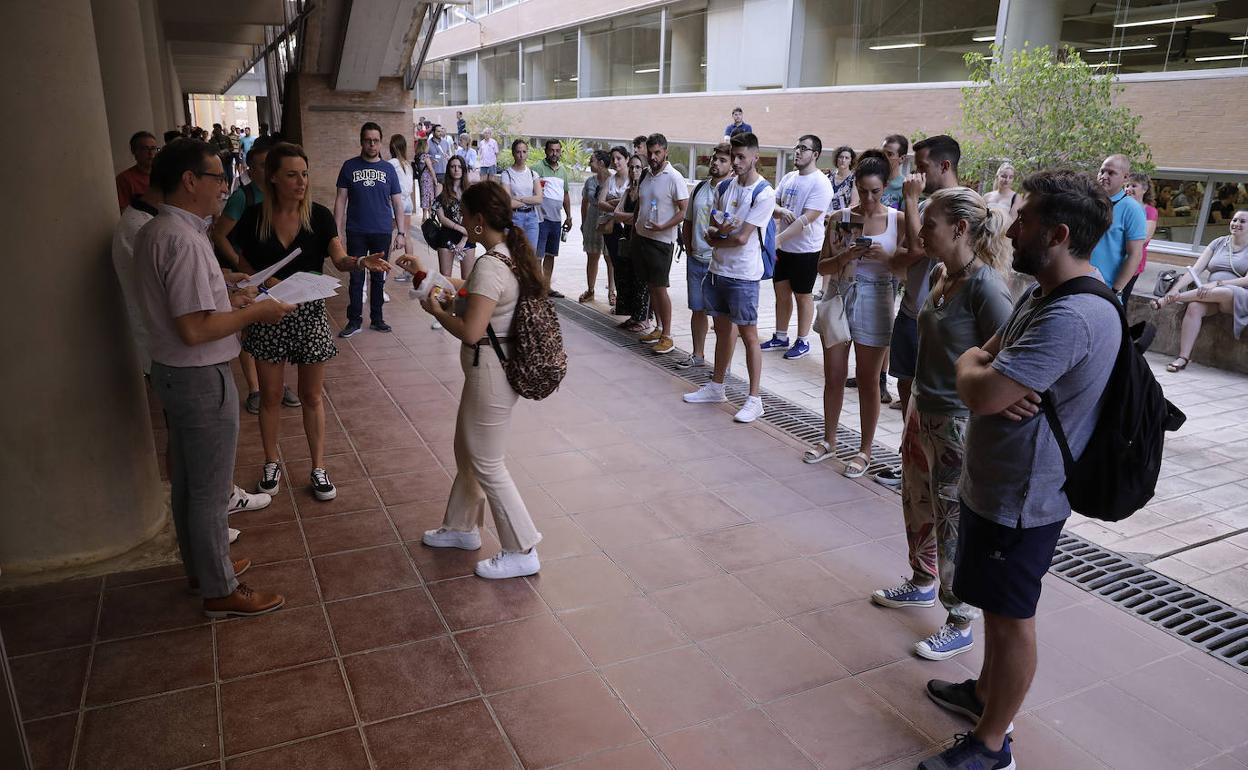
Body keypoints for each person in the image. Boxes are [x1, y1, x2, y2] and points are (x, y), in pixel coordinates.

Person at [920, 170, 1119, 770]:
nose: (1010, 226)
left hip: (1024, 497)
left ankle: (992, 744)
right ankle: (984, 696)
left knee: (1010, 621)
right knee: (994, 606)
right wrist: (981, 367)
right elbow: (980, 366)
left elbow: (980, 389)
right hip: (998, 485)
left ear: (1057, 234)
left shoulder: (1071, 317)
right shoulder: (1043, 295)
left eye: (1025, 219)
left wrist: (981, 370)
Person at [134, 138, 294, 617]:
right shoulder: (180, 239)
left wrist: (232, 296)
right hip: (199, 376)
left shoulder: (162, 230)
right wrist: (257, 312)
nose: (225, 187)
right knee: (208, 490)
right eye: (217, 178)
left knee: (187, 482)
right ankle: (220, 590)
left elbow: (195, 308)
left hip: (175, 373)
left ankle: (203, 567)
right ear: (190, 181)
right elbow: (194, 328)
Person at [871, 187, 1014, 663]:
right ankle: (922, 581)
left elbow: (1009, 359)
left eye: (929, 222)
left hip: (957, 423)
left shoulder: (985, 286)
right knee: (917, 502)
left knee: (953, 520)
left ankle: (960, 619)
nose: (921, 231)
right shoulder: (940, 274)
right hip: (922, 413)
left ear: (960, 228)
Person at [399, 181, 544, 580]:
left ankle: (522, 548)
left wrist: (435, 311)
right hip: (489, 371)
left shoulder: (491, 265)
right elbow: (470, 295)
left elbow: (471, 329)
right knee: (468, 451)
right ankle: (462, 528)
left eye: (464, 215)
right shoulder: (505, 255)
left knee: (486, 461)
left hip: (491, 374)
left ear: (479, 222)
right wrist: (427, 277)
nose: (459, 220)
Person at [235, 142, 391, 500]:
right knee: (271, 395)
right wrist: (262, 280)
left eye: (304, 174)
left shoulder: (318, 216)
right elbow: (243, 266)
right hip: (267, 312)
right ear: (273, 178)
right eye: (291, 175)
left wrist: (358, 262)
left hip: (308, 312)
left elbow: (338, 259)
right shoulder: (254, 216)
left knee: (311, 395)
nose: (301, 181)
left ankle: (318, 467)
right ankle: (271, 461)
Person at [807, 153, 905, 477]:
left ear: (885, 187)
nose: (868, 198)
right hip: (840, 293)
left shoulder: (897, 220)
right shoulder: (839, 217)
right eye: (862, 191)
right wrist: (845, 255)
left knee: (868, 380)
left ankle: (865, 450)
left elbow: (908, 271)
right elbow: (821, 266)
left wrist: (887, 255)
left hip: (877, 296)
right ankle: (829, 439)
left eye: (875, 191)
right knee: (833, 375)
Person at [681, 132, 774, 423]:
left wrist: (719, 237)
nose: (735, 162)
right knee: (722, 331)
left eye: (741, 157)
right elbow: (713, 226)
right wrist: (720, 235)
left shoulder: (764, 192)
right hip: (718, 270)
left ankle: (754, 399)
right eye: (733, 156)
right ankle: (717, 386)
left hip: (744, 275)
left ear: (756, 156)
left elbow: (741, 238)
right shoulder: (725, 187)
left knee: (748, 334)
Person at [211, 141, 297, 416]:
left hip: (274, 276)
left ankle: (278, 383)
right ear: (253, 168)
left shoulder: (282, 197)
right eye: (262, 164)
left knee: (276, 326)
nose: (268, 169)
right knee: (250, 329)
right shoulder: (243, 198)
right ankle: (255, 388)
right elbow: (220, 234)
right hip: (248, 275)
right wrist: (239, 265)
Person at [887, 134, 962, 423]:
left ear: (944, 165)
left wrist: (909, 197)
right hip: (910, 310)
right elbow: (904, 251)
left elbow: (917, 248)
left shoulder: (963, 206)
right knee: (905, 384)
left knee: (933, 395)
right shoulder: (921, 204)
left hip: (942, 318)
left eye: (922, 166)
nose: (915, 175)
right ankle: (907, 457)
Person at [761, 134, 833, 361]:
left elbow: (807, 218)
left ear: (816, 154)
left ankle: (802, 340)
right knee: (781, 293)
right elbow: (772, 204)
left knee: (803, 296)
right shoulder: (789, 178)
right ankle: (780, 336)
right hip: (783, 249)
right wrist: (780, 212)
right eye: (797, 147)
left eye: (804, 148)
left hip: (806, 250)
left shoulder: (821, 182)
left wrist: (779, 239)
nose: (798, 152)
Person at [1154, 209, 1248, 372]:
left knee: (1225, 291)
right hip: (1209, 295)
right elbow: (1196, 270)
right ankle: (1183, 357)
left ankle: (1169, 300)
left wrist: (1217, 284)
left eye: (1242, 221)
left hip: (1237, 296)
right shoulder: (1218, 242)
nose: (1236, 224)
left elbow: (1246, 280)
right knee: (1194, 307)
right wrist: (1174, 288)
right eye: (1234, 220)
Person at [335, 121, 405, 338]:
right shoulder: (349, 166)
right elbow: (340, 201)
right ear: (362, 142)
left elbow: (397, 202)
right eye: (368, 140)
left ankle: (377, 319)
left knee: (378, 278)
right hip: (356, 230)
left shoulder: (388, 169)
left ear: (380, 142)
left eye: (375, 140)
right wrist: (335, 232)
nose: (372, 144)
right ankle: (354, 320)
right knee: (356, 277)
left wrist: (401, 232)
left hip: (382, 230)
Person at [626, 133, 690, 355]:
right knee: (651, 287)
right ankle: (659, 327)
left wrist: (663, 226)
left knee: (661, 289)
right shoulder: (646, 174)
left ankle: (668, 336)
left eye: (657, 153)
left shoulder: (674, 177)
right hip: (642, 238)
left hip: (661, 242)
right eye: (650, 152)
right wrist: (635, 228)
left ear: (665, 152)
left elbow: (684, 210)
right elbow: (640, 205)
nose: (653, 157)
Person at [677, 142, 733, 370]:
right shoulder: (700, 188)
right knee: (697, 309)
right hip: (696, 259)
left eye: (722, 160)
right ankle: (697, 354)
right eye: (714, 159)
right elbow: (688, 221)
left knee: (722, 318)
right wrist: (689, 249)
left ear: (731, 165)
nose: (716, 163)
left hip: (719, 263)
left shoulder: (732, 191)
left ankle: (723, 366)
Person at [1090, 154, 1146, 304]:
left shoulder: (1132, 209)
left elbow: (1135, 254)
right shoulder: (1089, 202)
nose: (1103, 176)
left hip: (1103, 290)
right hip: (1076, 282)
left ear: (1126, 177)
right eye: (1102, 171)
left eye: (1111, 173)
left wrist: (1114, 290)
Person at [608, 149, 650, 330]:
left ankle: (644, 319)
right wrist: (631, 217)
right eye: (632, 167)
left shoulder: (646, 190)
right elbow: (616, 214)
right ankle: (634, 316)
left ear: (644, 169)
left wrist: (630, 217)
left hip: (643, 239)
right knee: (628, 277)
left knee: (642, 280)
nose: (634, 171)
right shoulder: (628, 190)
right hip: (628, 238)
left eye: (638, 167)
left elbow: (642, 217)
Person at [532, 139, 574, 298]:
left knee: (551, 254)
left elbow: (565, 195)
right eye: (552, 150)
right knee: (538, 255)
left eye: (557, 150)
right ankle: (537, 287)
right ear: (546, 151)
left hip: (556, 221)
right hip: (541, 220)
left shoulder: (563, 171)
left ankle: (546, 287)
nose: (554, 153)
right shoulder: (537, 168)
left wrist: (569, 216)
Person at [816, 146, 857, 301]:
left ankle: (837, 289)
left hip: (842, 221)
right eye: (841, 157)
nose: (843, 160)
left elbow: (854, 203)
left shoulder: (853, 179)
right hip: (824, 220)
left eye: (847, 158)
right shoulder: (829, 176)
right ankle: (823, 289)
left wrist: (835, 215)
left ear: (851, 160)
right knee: (825, 255)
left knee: (838, 254)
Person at [431, 155, 477, 287]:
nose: (456, 169)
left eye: (459, 166)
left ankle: (462, 307)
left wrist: (464, 237)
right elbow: (442, 218)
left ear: (463, 169)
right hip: (447, 236)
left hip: (467, 237)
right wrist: (459, 228)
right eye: (452, 166)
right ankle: (446, 306)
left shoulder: (470, 191)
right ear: (448, 169)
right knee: (445, 280)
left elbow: (474, 218)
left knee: (467, 281)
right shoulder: (441, 187)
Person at [578, 150, 614, 304]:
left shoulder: (614, 180)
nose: (589, 163)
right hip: (592, 221)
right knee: (592, 256)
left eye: (591, 160)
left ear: (600, 163)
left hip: (608, 221)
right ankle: (590, 290)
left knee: (610, 258)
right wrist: (584, 222)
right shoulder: (590, 182)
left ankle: (612, 292)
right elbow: (584, 202)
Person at [388, 133, 418, 283]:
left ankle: (381, 268)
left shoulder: (391, 163)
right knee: (407, 236)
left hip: (397, 202)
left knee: (387, 235)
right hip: (408, 202)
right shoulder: (407, 164)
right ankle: (409, 272)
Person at [501, 139, 542, 248]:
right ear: (513, 153)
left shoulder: (533, 174)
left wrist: (519, 198)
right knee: (515, 253)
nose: (521, 155)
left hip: (532, 217)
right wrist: (530, 200)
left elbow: (539, 199)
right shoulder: (507, 174)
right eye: (518, 152)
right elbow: (508, 202)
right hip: (515, 217)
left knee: (531, 255)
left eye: (524, 152)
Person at [1125, 172, 1159, 299]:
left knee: (1122, 297)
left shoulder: (1150, 211)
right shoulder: (1120, 206)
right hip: (1114, 257)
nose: (1128, 189)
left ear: (1144, 189)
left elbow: (1145, 238)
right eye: (1126, 185)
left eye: (1133, 186)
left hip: (1132, 259)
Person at [116, 131, 158, 212]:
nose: (151, 153)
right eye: (145, 148)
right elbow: (123, 211)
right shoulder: (124, 179)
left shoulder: (164, 174)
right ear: (134, 151)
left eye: (153, 148)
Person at [881, 133, 909, 210]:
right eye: (883, 153)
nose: (884, 157)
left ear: (902, 158)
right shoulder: (873, 180)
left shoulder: (905, 186)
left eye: (890, 154)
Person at [413, 136, 437, 224]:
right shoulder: (425, 156)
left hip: (422, 178)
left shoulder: (418, 156)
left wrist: (432, 162)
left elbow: (423, 165)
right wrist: (435, 179)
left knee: (424, 195)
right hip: (428, 178)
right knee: (429, 196)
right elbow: (430, 169)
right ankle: (429, 217)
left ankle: (424, 216)